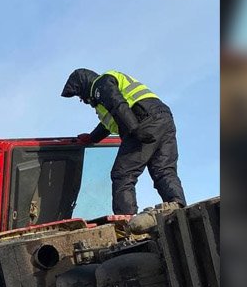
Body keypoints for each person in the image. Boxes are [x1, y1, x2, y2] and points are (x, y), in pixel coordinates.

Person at [61, 68, 186, 215]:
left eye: (79, 95)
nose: (82, 100)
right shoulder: (108, 88)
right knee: (164, 170)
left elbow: (117, 104)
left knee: (122, 174)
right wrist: (91, 137)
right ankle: (178, 207)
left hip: (143, 120)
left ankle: (126, 221)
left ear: (83, 86)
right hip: (164, 119)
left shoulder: (100, 84)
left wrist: (134, 129)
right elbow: (108, 123)